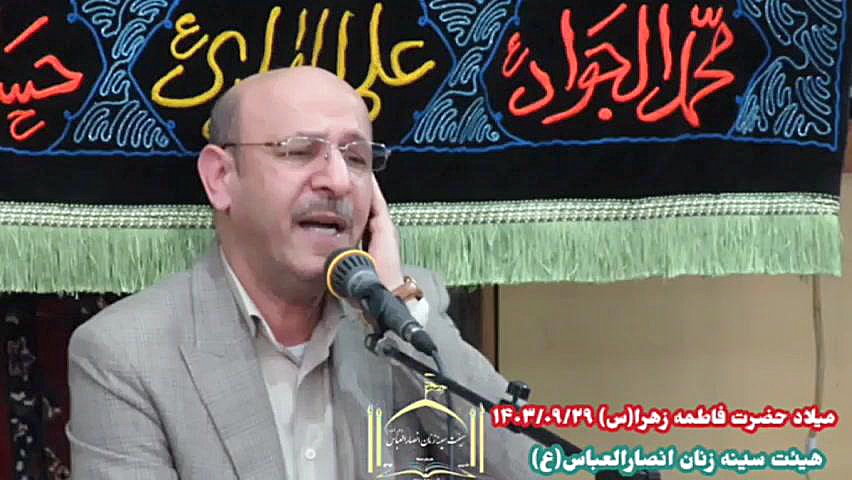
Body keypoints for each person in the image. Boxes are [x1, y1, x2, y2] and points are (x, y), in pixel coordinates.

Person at [66, 66, 536, 479]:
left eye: (356, 158)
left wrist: (395, 302)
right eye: (298, 151)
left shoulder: (404, 310)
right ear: (221, 178)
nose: (337, 181)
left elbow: (527, 467)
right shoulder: (127, 353)